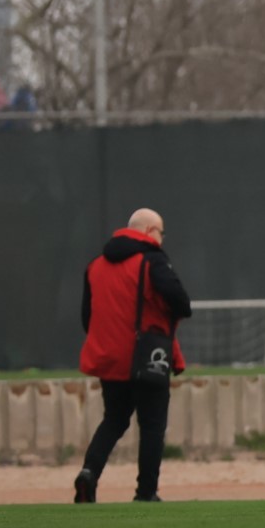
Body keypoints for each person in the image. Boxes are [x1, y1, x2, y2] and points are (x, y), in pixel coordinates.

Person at [75, 208, 191, 503]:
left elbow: (88, 317)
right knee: (152, 424)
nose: (162, 239)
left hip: (109, 359)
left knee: (114, 419)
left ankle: (89, 473)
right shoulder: (153, 261)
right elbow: (180, 301)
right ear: (151, 231)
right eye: (161, 233)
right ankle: (146, 491)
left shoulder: (95, 266)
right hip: (147, 356)